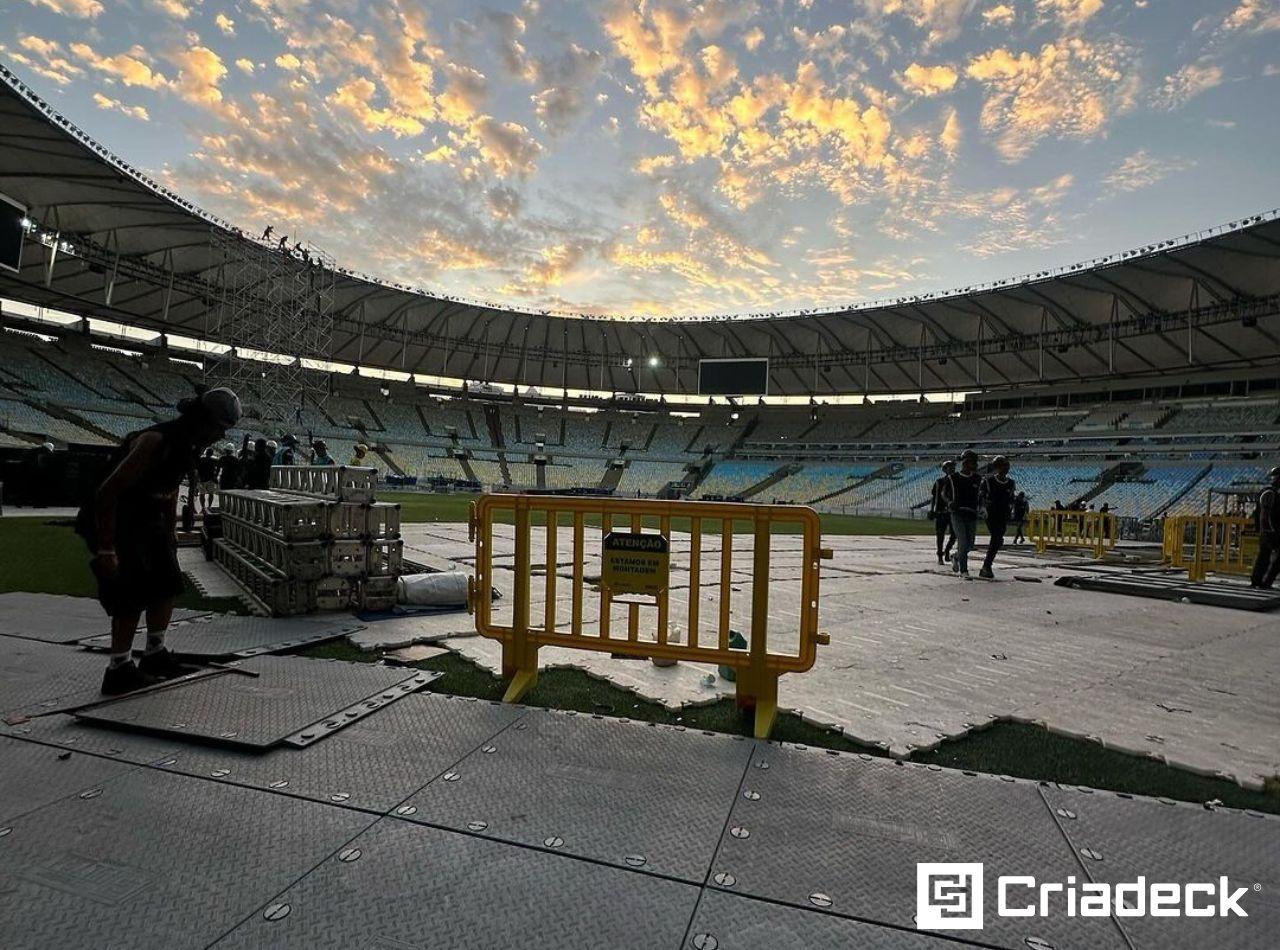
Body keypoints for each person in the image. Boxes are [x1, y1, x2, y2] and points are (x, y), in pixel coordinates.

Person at [76, 388, 242, 694]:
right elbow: (108, 494)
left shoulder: (186, 445)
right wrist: (107, 547)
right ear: (201, 419)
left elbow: (168, 487)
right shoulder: (156, 441)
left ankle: (154, 653)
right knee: (130, 592)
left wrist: (169, 533)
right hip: (119, 517)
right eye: (218, 427)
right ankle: (119, 668)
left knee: (167, 583)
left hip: (148, 517)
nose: (219, 435)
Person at [941, 449, 982, 580]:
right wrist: (949, 502)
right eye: (973, 463)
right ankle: (964, 570)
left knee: (970, 544)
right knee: (963, 541)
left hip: (972, 514)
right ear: (966, 463)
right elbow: (943, 493)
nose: (976, 466)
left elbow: (980, 496)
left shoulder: (977, 478)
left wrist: (982, 507)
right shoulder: (953, 478)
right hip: (957, 513)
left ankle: (956, 557)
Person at [979, 455, 1016, 579]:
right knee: (996, 537)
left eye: (1007, 465)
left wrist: (1011, 509)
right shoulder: (989, 481)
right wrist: (983, 508)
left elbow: (1011, 498)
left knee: (998, 540)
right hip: (991, 514)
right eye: (1003, 466)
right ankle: (986, 566)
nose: (1006, 468)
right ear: (997, 467)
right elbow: (982, 496)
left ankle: (987, 565)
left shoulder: (1010, 483)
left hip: (1003, 514)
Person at [1250, 467, 1280, 589]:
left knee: (1264, 556)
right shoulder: (1270, 493)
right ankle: (1263, 582)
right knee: (1267, 557)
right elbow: (1264, 515)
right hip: (1270, 531)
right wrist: (1269, 532)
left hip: (1268, 531)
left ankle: (1259, 581)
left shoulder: (1270, 493)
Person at [928, 461, 957, 566]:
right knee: (940, 535)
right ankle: (940, 555)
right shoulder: (939, 482)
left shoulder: (956, 481)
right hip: (941, 512)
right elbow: (934, 497)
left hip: (952, 512)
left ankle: (947, 550)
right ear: (945, 470)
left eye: (953, 467)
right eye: (949, 468)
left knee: (954, 534)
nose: (952, 469)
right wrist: (932, 510)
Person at [196, 447, 219, 513]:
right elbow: (218, 467)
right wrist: (216, 475)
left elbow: (197, 469)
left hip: (202, 479)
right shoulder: (214, 460)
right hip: (210, 479)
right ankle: (208, 507)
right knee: (210, 494)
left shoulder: (201, 459)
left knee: (202, 494)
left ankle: (203, 508)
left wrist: (197, 478)